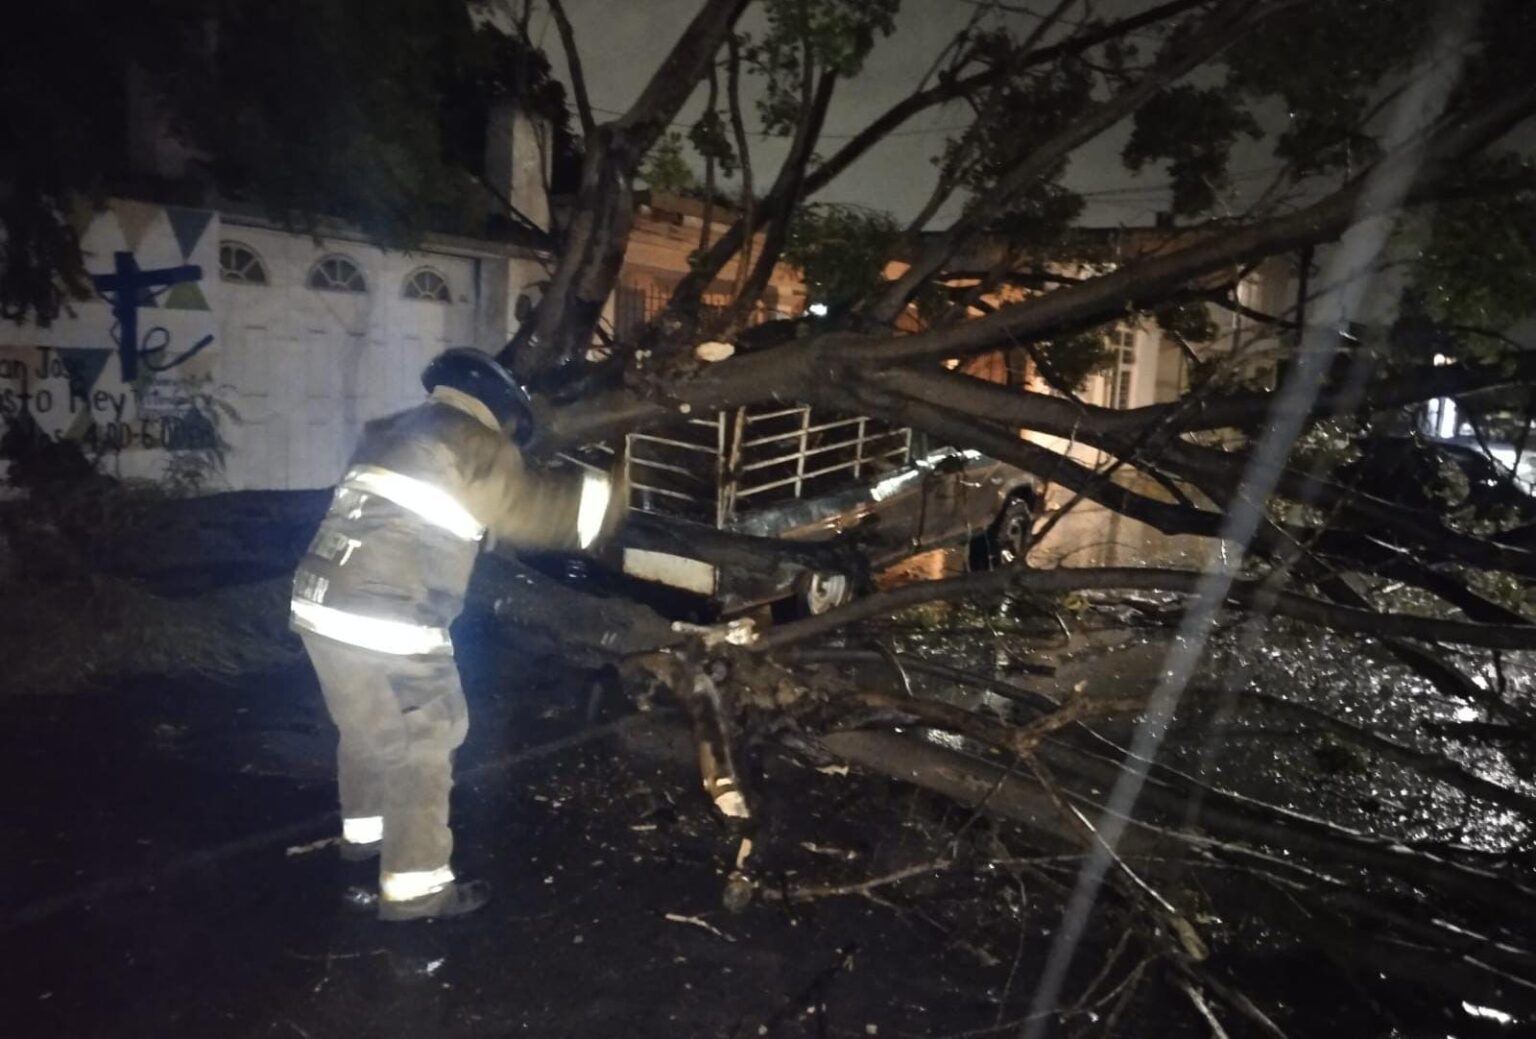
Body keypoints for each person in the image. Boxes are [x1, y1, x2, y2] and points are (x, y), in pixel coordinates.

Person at [290, 348, 625, 921]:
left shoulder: (388, 429)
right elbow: (550, 517)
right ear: (498, 408)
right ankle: (418, 889)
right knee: (429, 736)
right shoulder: (479, 444)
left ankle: (364, 837)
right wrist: (613, 488)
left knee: (367, 727)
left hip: (319, 602)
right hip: (390, 615)